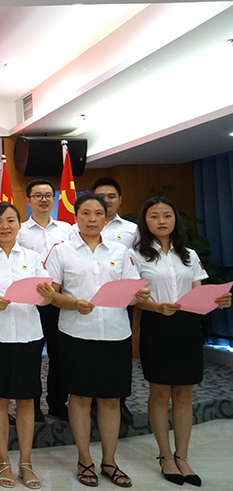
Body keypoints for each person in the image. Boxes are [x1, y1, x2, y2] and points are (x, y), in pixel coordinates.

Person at [46, 193, 149, 488]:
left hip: (116, 333)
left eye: (98, 214)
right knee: (79, 398)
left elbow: (133, 292)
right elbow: (50, 294)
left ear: (106, 218)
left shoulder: (121, 252)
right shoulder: (61, 252)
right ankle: (84, 460)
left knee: (111, 399)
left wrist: (138, 295)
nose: (92, 219)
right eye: (86, 213)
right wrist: (73, 304)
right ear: (75, 217)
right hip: (76, 333)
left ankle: (109, 461)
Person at [131, 196, 230, 487]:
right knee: (160, 392)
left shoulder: (189, 254)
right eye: (154, 216)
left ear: (175, 219)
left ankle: (182, 456)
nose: (162, 221)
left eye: (167, 215)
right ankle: (165, 455)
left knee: (185, 394)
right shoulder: (135, 255)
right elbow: (135, 297)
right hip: (157, 324)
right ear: (145, 221)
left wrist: (217, 300)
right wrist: (157, 307)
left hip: (187, 326)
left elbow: (198, 291)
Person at [0, 202, 54, 489]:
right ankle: (3, 461)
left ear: (20, 224)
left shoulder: (33, 257)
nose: (5, 226)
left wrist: (46, 294)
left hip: (29, 334)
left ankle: (26, 463)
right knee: (0, 397)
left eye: (10, 220)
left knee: (27, 398)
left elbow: (46, 299)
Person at [16, 178, 73, 422]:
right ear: (28, 200)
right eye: (38, 196)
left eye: (48, 195)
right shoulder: (19, 231)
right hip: (30, 301)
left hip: (58, 299)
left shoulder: (67, 229)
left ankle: (57, 402)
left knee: (59, 353)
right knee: (31, 354)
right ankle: (32, 404)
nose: (44, 200)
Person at [90, 177, 138, 425]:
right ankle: (92, 401)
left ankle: (119, 402)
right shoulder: (79, 228)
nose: (106, 201)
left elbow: (140, 261)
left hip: (120, 302)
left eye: (111, 196)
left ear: (120, 200)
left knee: (118, 353)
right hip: (87, 304)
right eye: (101, 196)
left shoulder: (132, 230)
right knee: (90, 355)